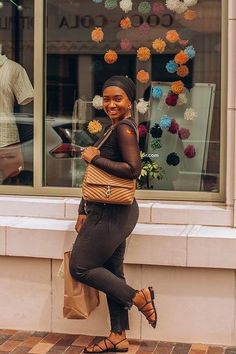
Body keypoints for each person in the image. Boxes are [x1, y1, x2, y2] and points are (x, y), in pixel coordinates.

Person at [69, 76, 157, 353]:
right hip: (110, 210)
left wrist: (94, 157)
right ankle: (118, 335)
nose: (111, 104)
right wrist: (83, 208)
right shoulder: (115, 127)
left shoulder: (125, 130)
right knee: (111, 272)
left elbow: (132, 169)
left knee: (80, 267)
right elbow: (96, 177)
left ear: (130, 101)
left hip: (111, 213)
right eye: (106, 99)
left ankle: (138, 297)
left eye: (117, 98)